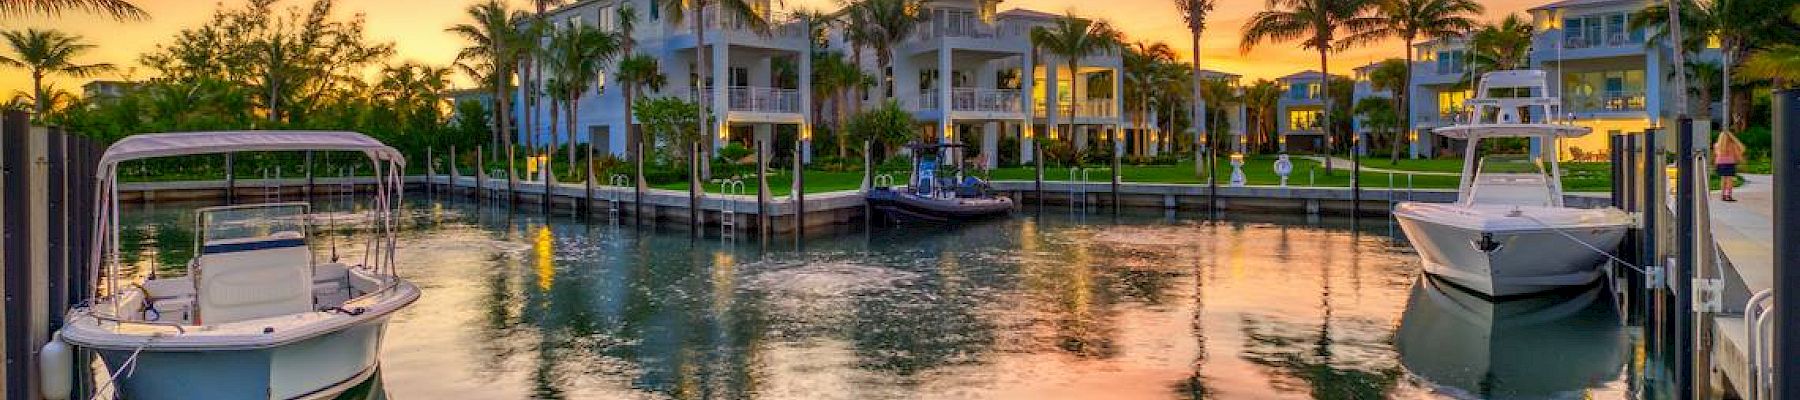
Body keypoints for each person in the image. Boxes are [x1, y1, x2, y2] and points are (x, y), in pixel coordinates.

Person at [1714, 130, 1746, 202]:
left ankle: (1722, 195)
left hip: (1720, 164)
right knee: (1729, 180)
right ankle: (1728, 195)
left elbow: (1716, 155)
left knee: (1723, 180)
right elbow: (1742, 148)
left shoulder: (1717, 145)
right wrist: (1733, 137)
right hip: (1730, 163)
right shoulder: (1732, 145)